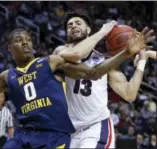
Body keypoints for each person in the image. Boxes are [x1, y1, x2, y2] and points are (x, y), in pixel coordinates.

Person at [54, 11, 155, 148]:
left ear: (89, 29)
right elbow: (76, 54)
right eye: (69, 25)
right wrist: (102, 32)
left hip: (95, 127)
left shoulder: (105, 61)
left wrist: (142, 61)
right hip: (68, 130)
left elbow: (129, 94)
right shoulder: (60, 52)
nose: (73, 26)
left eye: (78, 23)